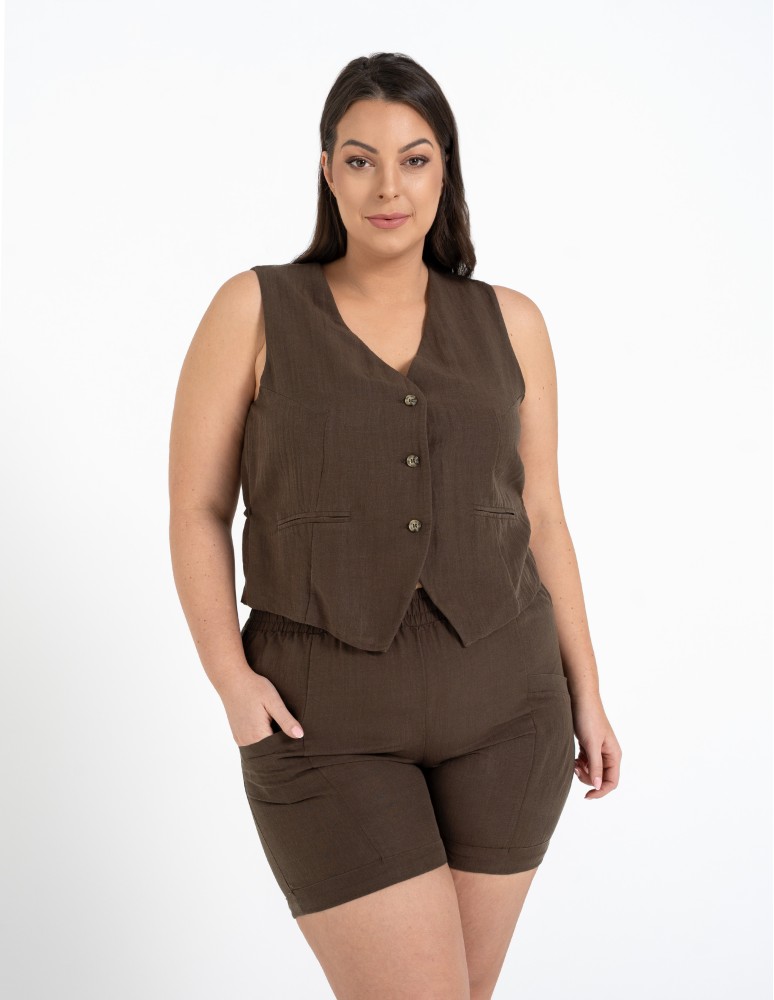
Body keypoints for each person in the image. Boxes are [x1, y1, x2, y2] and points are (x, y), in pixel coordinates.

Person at [169, 51, 622, 1000]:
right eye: (360, 159)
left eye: (414, 159)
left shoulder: (513, 322)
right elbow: (198, 507)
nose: (388, 187)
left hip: (511, 714)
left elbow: (542, 513)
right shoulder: (254, 308)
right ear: (327, 171)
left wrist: (586, 691)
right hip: (321, 720)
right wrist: (229, 680)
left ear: (445, 169)